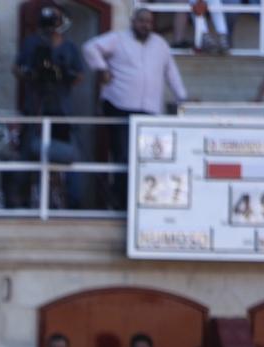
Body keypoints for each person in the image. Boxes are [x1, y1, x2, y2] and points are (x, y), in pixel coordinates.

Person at [83, 8, 188, 209]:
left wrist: (183, 98)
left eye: (148, 22)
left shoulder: (160, 44)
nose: (145, 25)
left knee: (146, 156)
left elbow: (172, 74)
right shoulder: (118, 38)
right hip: (120, 105)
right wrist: (102, 68)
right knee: (123, 155)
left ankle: (139, 201)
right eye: (141, 21)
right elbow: (90, 48)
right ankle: (121, 203)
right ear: (133, 21)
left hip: (149, 109)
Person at [13, 5, 86, 209]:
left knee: (70, 153)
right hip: (35, 107)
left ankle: (73, 200)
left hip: (62, 109)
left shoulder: (70, 47)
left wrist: (64, 74)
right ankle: (23, 199)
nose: (51, 29)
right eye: (48, 24)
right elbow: (16, 68)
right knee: (28, 151)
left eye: (54, 23)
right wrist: (30, 74)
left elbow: (80, 75)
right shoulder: (31, 44)